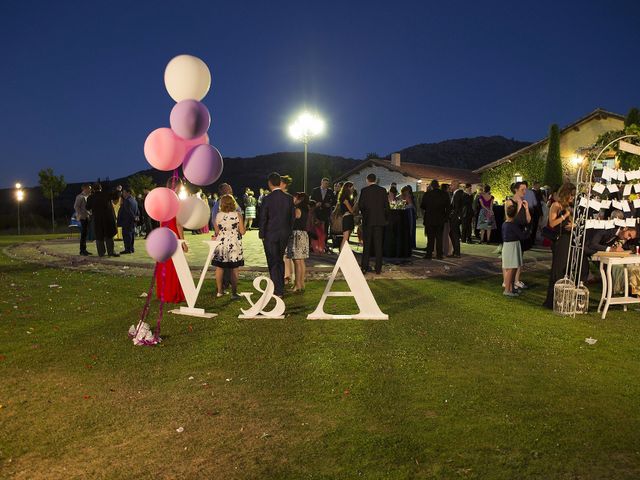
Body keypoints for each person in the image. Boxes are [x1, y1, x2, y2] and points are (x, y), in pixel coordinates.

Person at [259, 172, 295, 298]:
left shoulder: (267, 199)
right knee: (279, 260)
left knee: (273, 262)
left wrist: (262, 234)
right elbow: (292, 218)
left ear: (269, 183)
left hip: (270, 234)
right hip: (284, 234)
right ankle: (279, 287)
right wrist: (289, 232)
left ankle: (277, 290)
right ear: (280, 182)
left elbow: (263, 218)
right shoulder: (289, 198)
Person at [543, 182, 576, 309]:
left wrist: (573, 225)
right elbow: (552, 223)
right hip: (560, 240)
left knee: (565, 269)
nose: (572, 198)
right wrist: (564, 216)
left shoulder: (569, 206)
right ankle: (552, 300)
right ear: (566, 194)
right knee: (558, 269)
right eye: (571, 195)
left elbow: (571, 223)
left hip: (568, 239)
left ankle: (563, 298)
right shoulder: (556, 205)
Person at [155, 180, 188, 304]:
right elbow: (179, 224)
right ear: (178, 186)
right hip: (174, 234)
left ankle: (164, 293)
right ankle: (173, 293)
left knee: (165, 264)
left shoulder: (162, 201)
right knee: (175, 265)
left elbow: (159, 221)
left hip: (163, 233)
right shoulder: (177, 201)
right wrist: (183, 241)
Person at [212, 194, 246, 298]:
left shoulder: (218, 216)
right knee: (234, 269)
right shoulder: (237, 215)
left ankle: (220, 291)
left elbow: (217, 232)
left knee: (219, 268)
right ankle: (234, 293)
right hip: (233, 243)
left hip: (221, 244)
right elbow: (242, 231)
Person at [357, 173, 389, 274]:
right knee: (378, 245)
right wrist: (385, 218)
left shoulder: (364, 191)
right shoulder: (383, 190)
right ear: (375, 180)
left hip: (368, 220)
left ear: (367, 180)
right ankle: (378, 268)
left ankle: (364, 267)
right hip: (379, 221)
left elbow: (361, 206)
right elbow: (387, 207)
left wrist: (365, 213)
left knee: (367, 245)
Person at [504, 182, 531, 289]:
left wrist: (527, 208)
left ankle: (516, 280)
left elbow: (528, 220)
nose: (524, 192)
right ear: (516, 190)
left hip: (521, 232)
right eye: (522, 189)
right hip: (511, 233)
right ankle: (507, 282)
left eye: (525, 190)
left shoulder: (524, 202)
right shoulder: (509, 202)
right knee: (509, 260)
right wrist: (519, 206)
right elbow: (510, 218)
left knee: (519, 259)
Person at [502, 203, 530, 297]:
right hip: (511, 246)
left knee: (513, 268)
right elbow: (522, 236)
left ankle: (511, 288)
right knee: (510, 269)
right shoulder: (512, 225)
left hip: (509, 246)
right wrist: (527, 231)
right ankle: (507, 289)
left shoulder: (505, 224)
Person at [86, 183, 119, 257]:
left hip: (97, 219)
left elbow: (87, 207)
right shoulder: (106, 194)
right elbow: (115, 197)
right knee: (109, 236)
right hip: (108, 219)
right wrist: (118, 190)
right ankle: (111, 252)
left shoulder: (91, 197)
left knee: (99, 236)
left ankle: (101, 253)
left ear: (93, 190)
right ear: (101, 188)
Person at [420, 179, 450, 259]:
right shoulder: (444, 194)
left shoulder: (427, 194)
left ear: (431, 186)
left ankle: (429, 254)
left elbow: (422, 206)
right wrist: (446, 217)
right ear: (438, 186)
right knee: (439, 237)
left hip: (429, 218)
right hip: (440, 218)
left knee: (430, 238)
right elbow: (448, 207)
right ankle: (439, 255)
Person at [286, 192, 310, 292]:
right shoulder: (306, 209)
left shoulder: (297, 210)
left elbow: (290, 221)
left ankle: (297, 285)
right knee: (301, 261)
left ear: (300, 199)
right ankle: (301, 284)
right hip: (303, 234)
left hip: (296, 235)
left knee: (296, 261)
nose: (294, 199)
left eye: (295, 198)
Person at [310, 178, 336, 251]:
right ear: (321, 183)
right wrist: (316, 204)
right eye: (325, 183)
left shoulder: (330, 191)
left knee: (325, 230)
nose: (326, 185)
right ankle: (315, 245)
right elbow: (311, 200)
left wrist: (330, 204)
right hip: (317, 213)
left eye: (327, 184)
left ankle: (324, 244)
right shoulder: (315, 190)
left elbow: (334, 201)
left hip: (326, 213)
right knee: (316, 229)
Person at [117, 187, 139, 254]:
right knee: (131, 235)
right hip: (132, 221)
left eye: (124, 192)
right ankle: (131, 248)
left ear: (128, 192)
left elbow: (129, 211)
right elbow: (137, 210)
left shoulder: (127, 201)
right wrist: (136, 217)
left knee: (127, 235)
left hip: (127, 221)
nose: (123, 194)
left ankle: (128, 249)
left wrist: (134, 217)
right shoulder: (134, 200)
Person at [74, 184, 92, 256]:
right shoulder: (80, 197)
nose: (90, 190)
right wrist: (80, 214)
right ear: (85, 189)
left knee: (85, 234)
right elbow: (76, 206)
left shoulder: (87, 196)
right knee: (83, 234)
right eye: (89, 188)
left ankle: (84, 249)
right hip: (83, 218)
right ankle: (82, 250)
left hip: (87, 217)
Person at [337, 182, 356, 250]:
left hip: (350, 217)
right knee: (345, 237)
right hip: (346, 217)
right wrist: (354, 209)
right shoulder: (344, 197)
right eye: (352, 187)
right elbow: (351, 209)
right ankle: (341, 252)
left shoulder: (350, 197)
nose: (353, 189)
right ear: (348, 187)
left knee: (347, 238)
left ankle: (345, 252)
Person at [448, 180, 464, 258]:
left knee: (454, 234)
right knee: (452, 233)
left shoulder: (458, 194)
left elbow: (457, 207)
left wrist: (453, 214)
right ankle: (455, 251)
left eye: (451, 185)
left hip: (455, 218)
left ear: (455, 185)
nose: (450, 186)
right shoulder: (456, 194)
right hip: (455, 217)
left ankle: (457, 253)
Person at [400, 185, 417, 250]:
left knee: (410, 228)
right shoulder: (407, 196)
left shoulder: (408, 196)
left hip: (409, 212)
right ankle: (410, 244)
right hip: (408, 212)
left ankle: (410, 244)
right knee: (409, 228)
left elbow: (410, 205)